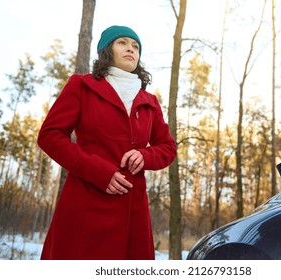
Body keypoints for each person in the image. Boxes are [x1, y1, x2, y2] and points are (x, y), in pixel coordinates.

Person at [37, 25, 177, 260]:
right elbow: (49, 135)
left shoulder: (150, 101)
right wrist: (97, 171)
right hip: (86, 204)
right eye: (122, 42)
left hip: (134, 212)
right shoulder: (81, 86)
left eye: (135, 46)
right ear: (106, 49)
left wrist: (145, 155)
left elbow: (168, 148)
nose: (131, 49)